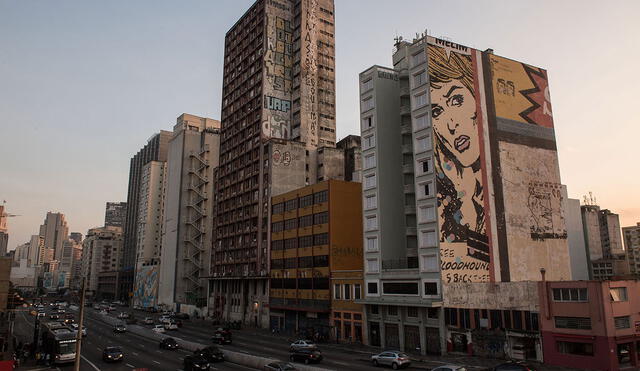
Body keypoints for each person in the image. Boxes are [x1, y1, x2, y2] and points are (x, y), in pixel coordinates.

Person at [428, 44, 490, 264]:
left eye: (456, 100)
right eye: (437, 112)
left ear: (477, 97)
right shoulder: (447, 195)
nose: (451, 124)